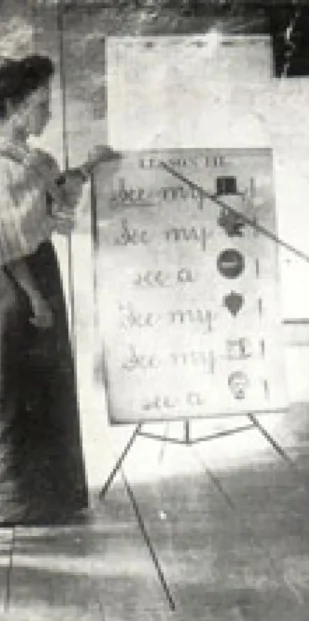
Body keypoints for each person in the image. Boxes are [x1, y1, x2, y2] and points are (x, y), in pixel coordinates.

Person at [0, 55, 100, 524]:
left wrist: (87, 169)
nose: (47, 114)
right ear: (15, 106)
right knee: (17, 384)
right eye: (40, 105)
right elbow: (7, 239)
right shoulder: (2, 162)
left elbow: (52, 211)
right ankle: (14, 501)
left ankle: (48, 497)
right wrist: (33, 297)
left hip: (39, 270)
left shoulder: (36, 161)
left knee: (47, 381)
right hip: (14, 281)